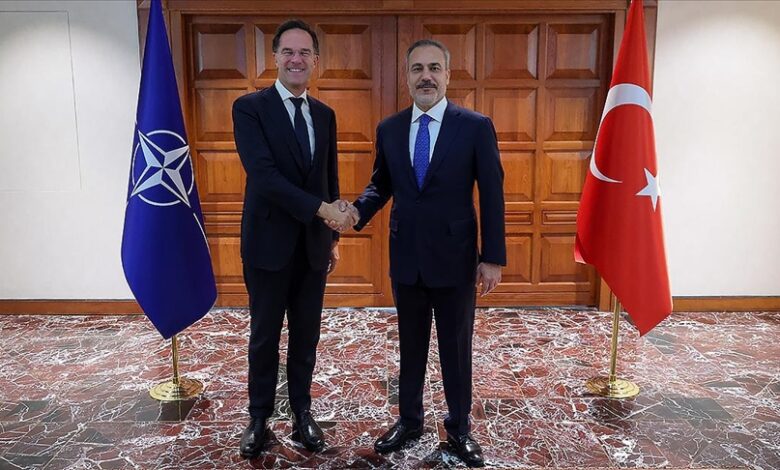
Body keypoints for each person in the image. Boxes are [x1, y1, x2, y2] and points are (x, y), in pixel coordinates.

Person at [343, 39, 506, 467]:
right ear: (407, 77)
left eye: (434, 68)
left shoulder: (475, 127)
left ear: (448, 75)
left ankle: (459, 429)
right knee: (410, 346)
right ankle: (409, 421)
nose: (426, 76)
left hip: (456, 259)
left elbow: (492, 193)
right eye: (417, 69)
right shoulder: (391, 128)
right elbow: (381, 185)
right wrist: (355, 213)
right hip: (407, 259)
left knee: (456, 348)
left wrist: (492, 257)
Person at [232, 19, 351, 458]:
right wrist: (322, 210)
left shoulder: (325, 115)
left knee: (306, 335)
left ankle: (302, 412)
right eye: (288, 52)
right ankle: (259, 417)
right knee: (264, 335)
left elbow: (329, 179)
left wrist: (333, 236)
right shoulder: (250, 108)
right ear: (275, 57)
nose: (296, 59)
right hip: (267, 244)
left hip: (313, 247)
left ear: (315, 61)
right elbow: (264, 177)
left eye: (304, 53)